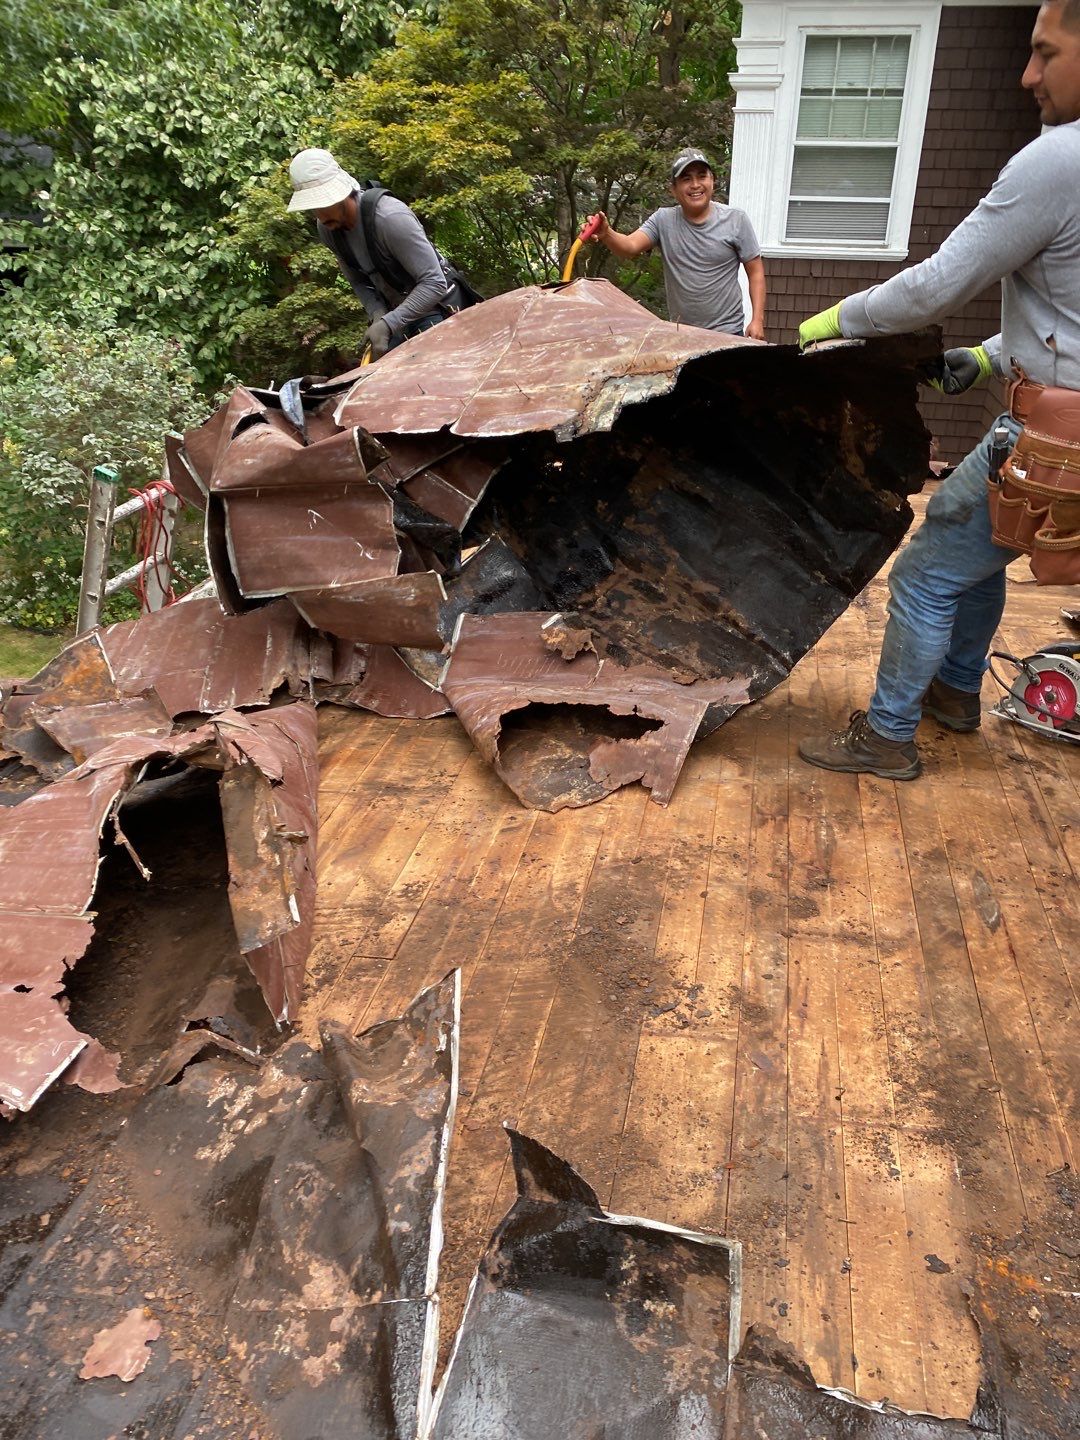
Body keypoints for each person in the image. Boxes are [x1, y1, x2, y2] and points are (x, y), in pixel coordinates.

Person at [796, 0, 1080, 781]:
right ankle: (955, 695)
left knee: (926, 573)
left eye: (1046, 53)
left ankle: (887, 736)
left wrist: (834, 320)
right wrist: (987, 360)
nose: (1027, 74)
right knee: (979, 561)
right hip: (1067, 427)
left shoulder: (1058, 160)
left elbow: (931, 288)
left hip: (1047, 440)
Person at [287, 147, 469, 359]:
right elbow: (357, 281)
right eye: (312, 206)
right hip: (397, 313)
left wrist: (389, 323)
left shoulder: (390, 218)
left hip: (438, 306)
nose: (319, 213)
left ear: (342, 193)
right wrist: (377, 313)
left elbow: (434, 282)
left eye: (323, 203)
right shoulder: (327, 228)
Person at [587, 149, 767, 340]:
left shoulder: (736, 220)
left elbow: (755, 271)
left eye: (702, 176)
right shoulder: (663, 220)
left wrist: (757, 320)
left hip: (727, 332)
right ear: (673, 189)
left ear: (712, 181)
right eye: (686, 179)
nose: (695, 185)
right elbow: (630, 246)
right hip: (682, 335)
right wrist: (607, 234)